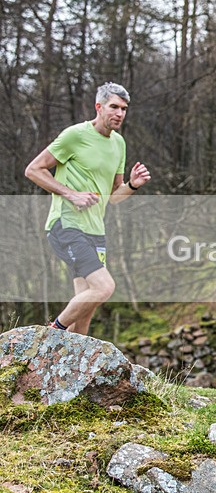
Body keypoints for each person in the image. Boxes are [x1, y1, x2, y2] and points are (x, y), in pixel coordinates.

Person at [25, 82, 151, 335]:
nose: (119, 113)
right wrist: (71, 194)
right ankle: (51, 335)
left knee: (86, 306)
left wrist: (132, 185)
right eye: (113, 107)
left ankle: (72, 368)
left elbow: (114, 197)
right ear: (99, 107)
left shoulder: (119, 144)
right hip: (67, 225)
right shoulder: (75, 135)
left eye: (124, 109)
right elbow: (33, 170)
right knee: (103, 287)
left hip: (95, 230)